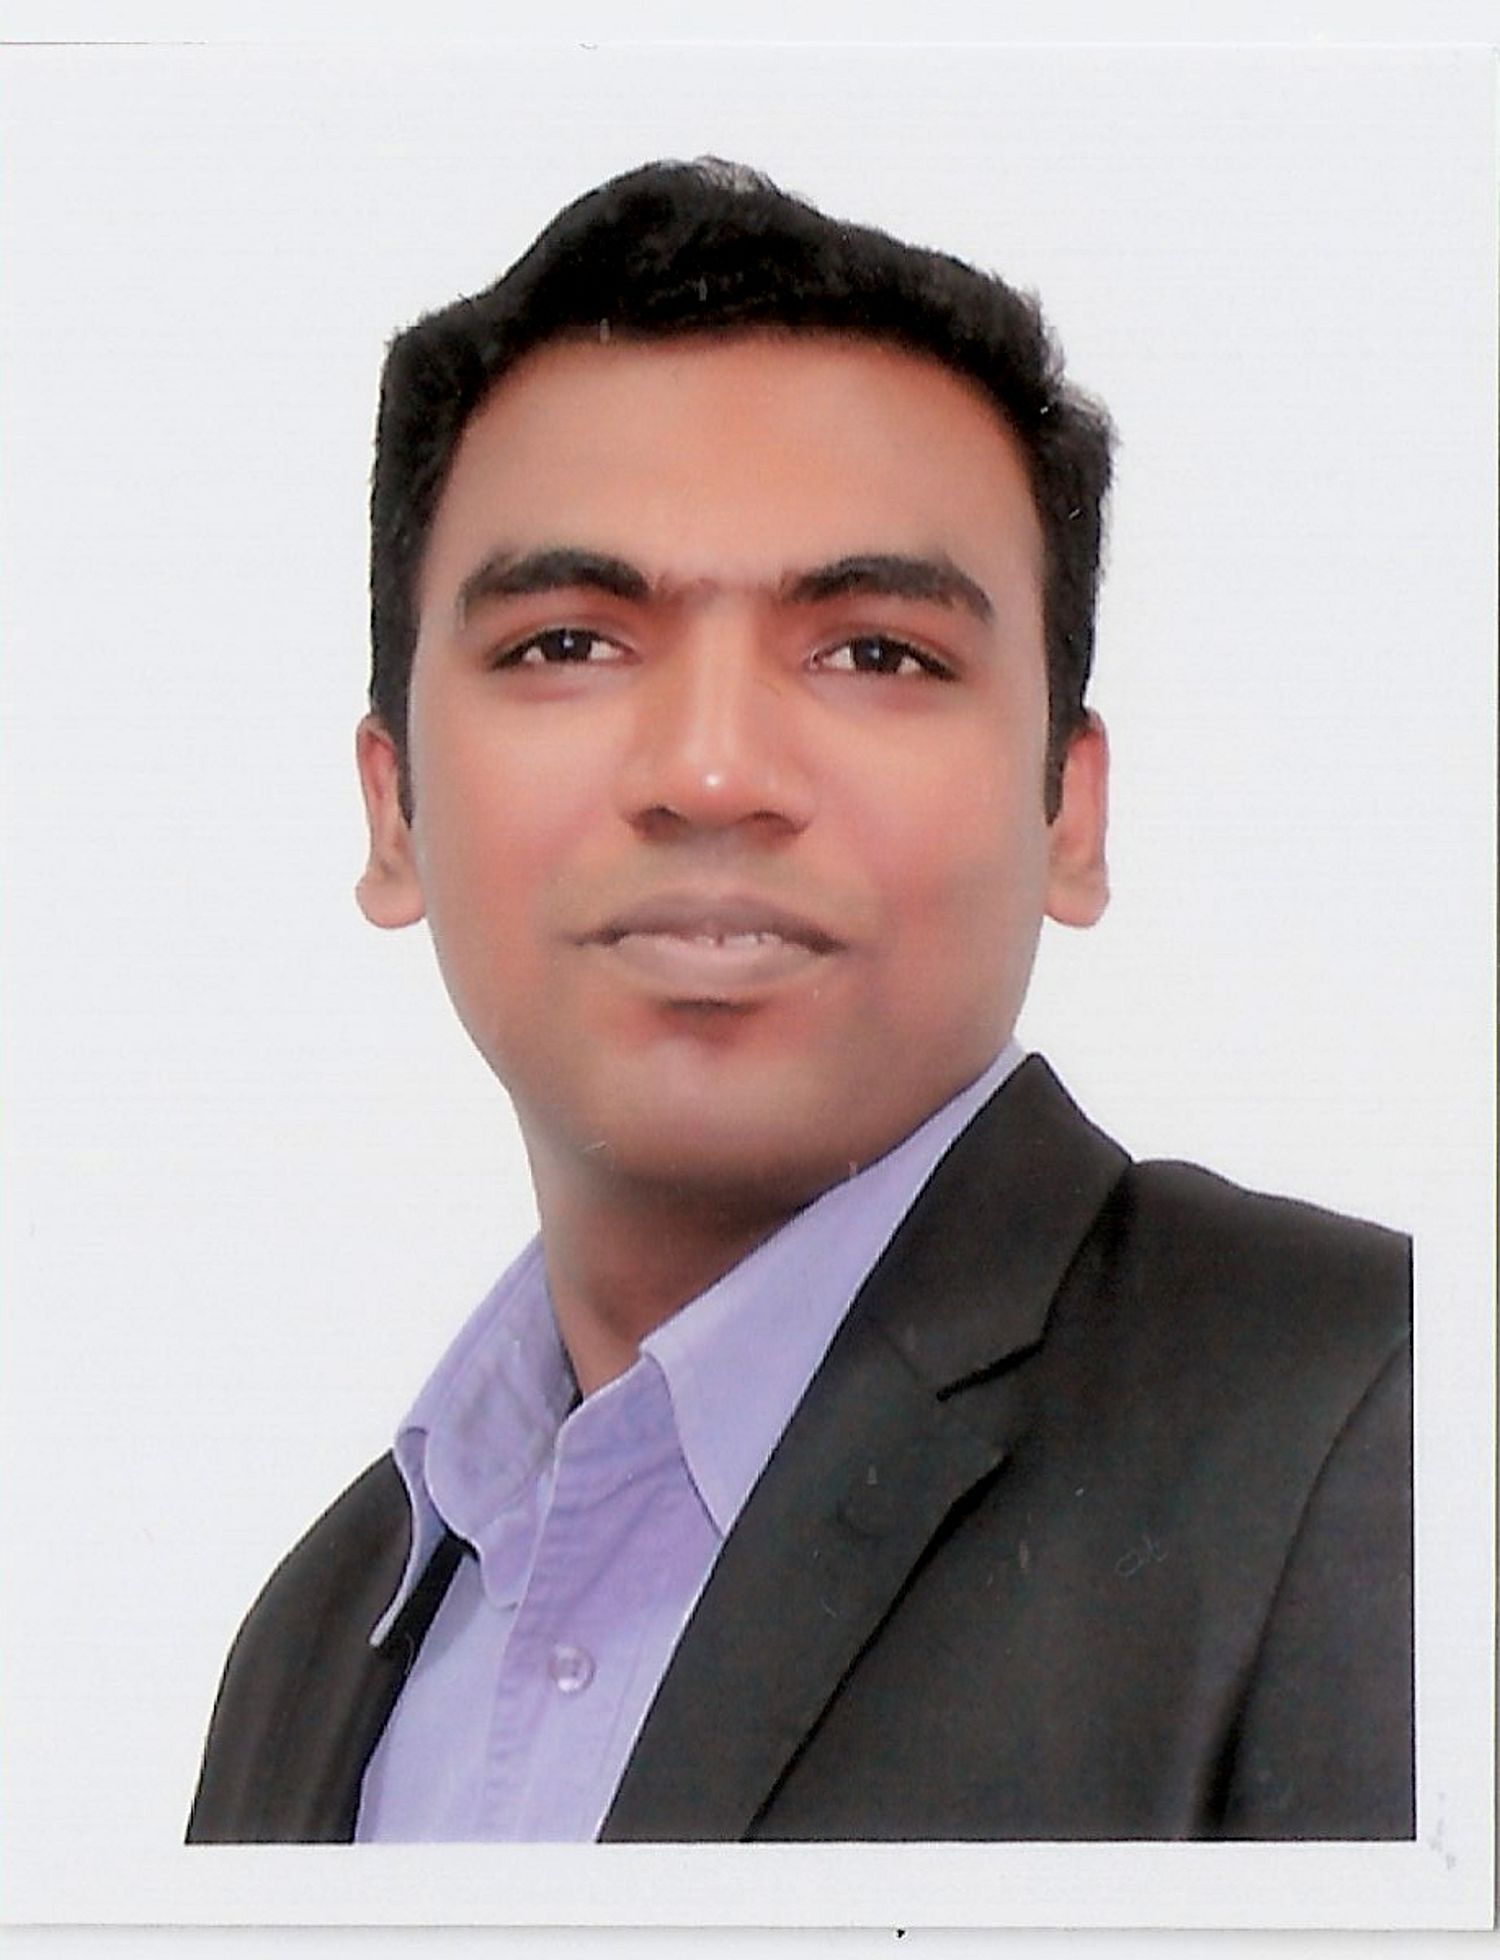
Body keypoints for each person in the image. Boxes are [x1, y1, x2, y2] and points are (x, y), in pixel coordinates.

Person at [186, 158, 1412, 1845]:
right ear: (394, 809)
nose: (711, 772)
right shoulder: (316, 1646)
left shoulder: (1383, 1427)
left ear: (1069, 812)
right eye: (566, 643)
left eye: (875, 653)